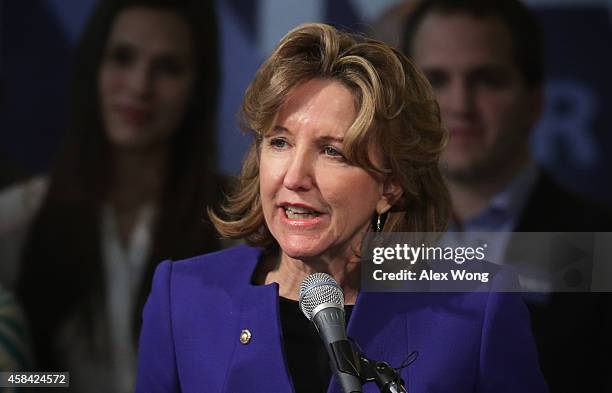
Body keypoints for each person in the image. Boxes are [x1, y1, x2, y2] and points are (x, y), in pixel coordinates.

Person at [135, 23, 547, 393]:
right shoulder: (184, 296)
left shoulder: (475, 308)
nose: (295, 176)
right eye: (279, 142)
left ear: (390, 184)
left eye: (332, 151)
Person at [6, 0, 223, 391]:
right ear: (95, 66)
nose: (140, 86)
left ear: (198, 86)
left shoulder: (236, 222)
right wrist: (56, 385)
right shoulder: (20, 218)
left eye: (168, 68)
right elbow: (7, 376)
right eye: (122, 58)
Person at [400, 0, 611, 391]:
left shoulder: (600, 242)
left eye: (487, 80)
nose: (460, 105)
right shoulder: (369, 237)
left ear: (535, 102)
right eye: (436, 80)